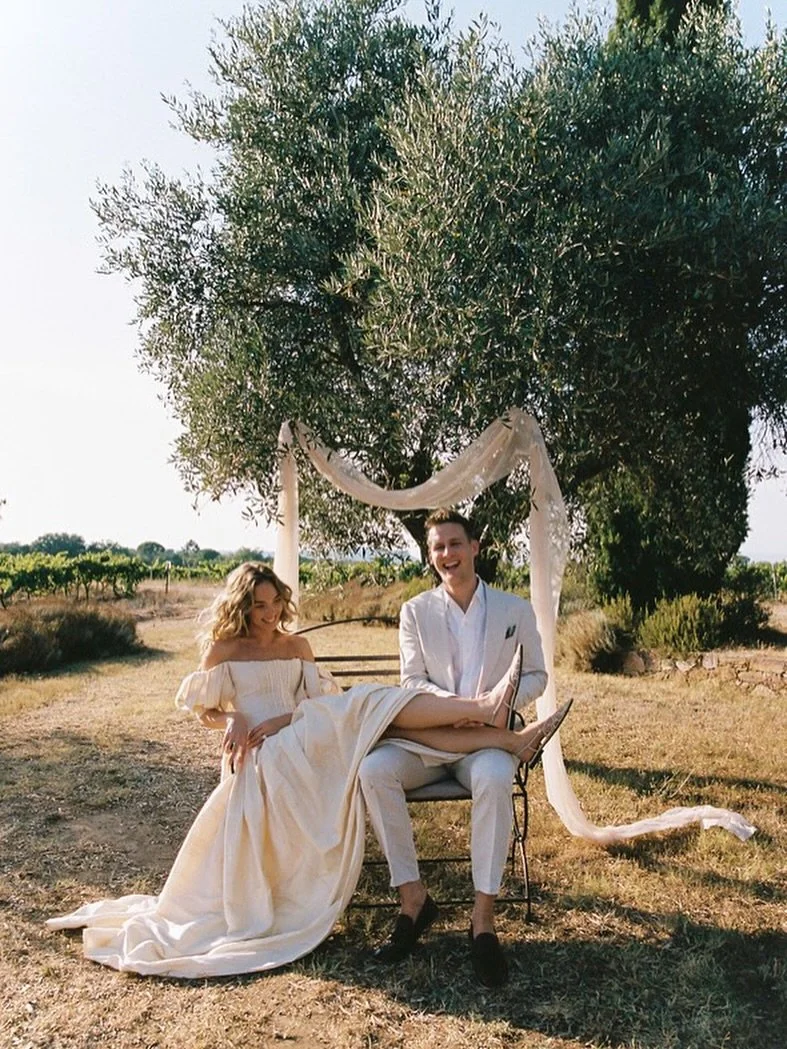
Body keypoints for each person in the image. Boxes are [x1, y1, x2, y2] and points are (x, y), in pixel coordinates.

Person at [46, 562, 571, 979]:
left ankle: (503, 732)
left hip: (304, 733)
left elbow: (314, 705)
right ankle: (495, 723)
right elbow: (203, 710)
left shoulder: (297, 646)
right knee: (370, 709)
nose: (269, 614)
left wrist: (286, 719)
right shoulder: (224, 650)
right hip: (266, 754)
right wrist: (233, 718)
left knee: (374, 716)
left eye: (275, 603)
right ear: (242, 606)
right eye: (258, 606)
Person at [359, 508, 551, 987]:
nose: (447, 554)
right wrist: (458, 708)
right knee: (373, 770)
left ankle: (483, 922)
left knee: (495, 776)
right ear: (431, 556)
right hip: (430, 740)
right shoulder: (415, 611)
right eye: (438, 547)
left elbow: (537, 675)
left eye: (455, 543)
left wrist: (502, 703)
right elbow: (411, 682)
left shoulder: (514, 609)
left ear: (474, 548)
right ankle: (413, 901)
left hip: (484, 745)